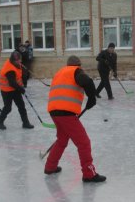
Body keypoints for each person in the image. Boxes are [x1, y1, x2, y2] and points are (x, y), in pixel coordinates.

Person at [44, 55, 106, 183]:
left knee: (62, 140)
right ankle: (89, 174)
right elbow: (87, 81)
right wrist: (92, 98)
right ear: (78, 64)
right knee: (83, 143)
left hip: (54, 111)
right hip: (66, 113)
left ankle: (50, 167)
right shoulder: (76, 71)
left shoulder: (60, 73)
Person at [0, 51, 34, 130]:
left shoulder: (17, 64)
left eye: (19, 60)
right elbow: (12, 83)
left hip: (15, 89)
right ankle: (0, 122)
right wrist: (21, 89)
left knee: (21, 106)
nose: (18, 62)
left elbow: (19, 76)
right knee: (7, 108)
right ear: (12, 60)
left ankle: (25, 123)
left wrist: (22, 84)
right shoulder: (9, 69)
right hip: (7, 90)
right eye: (16, 61)